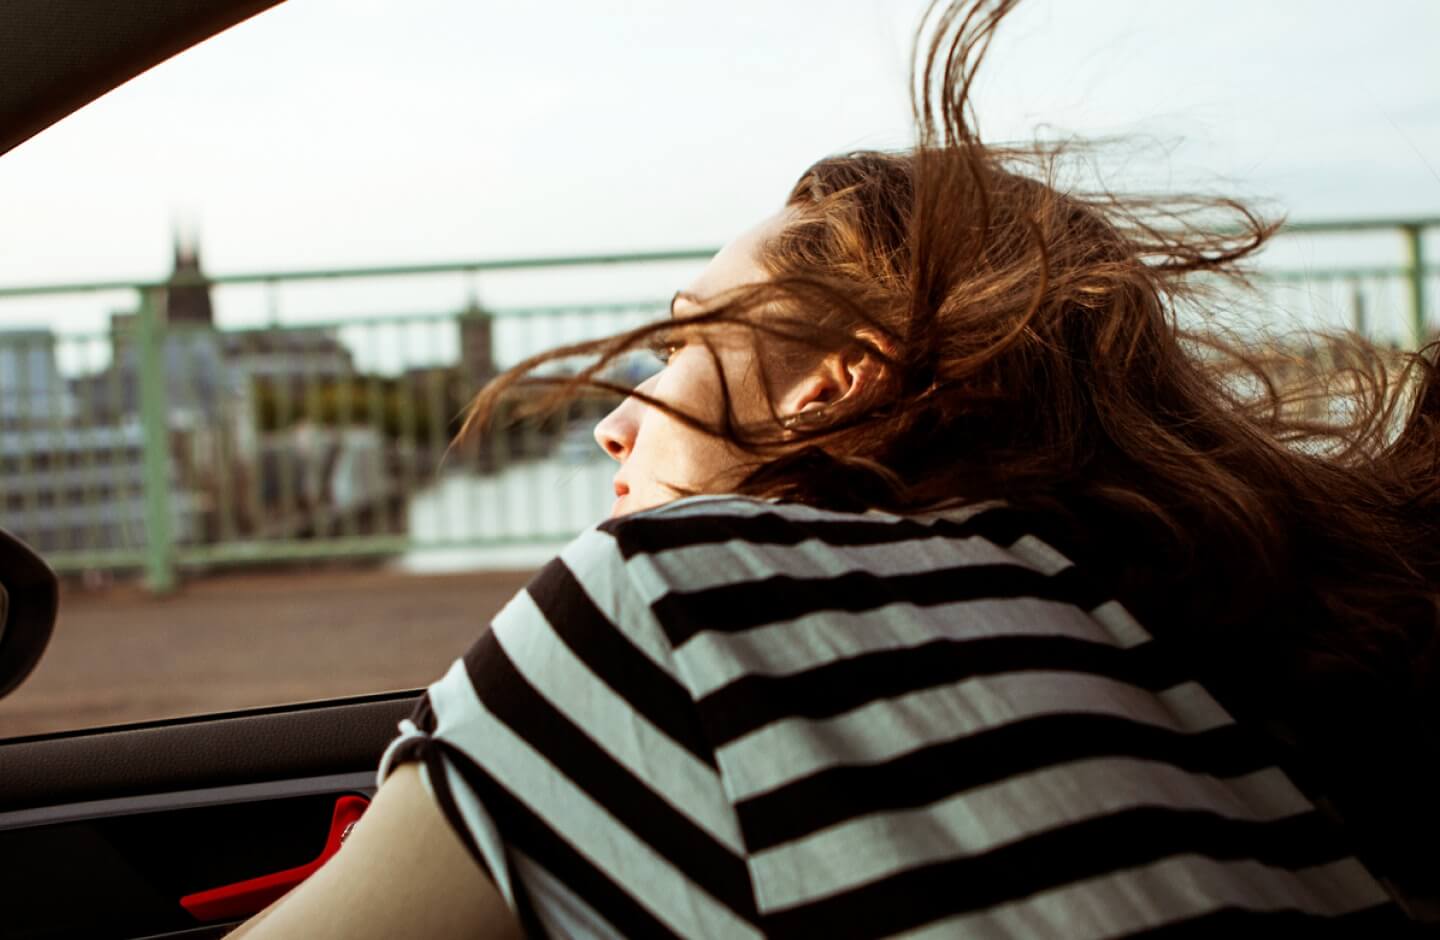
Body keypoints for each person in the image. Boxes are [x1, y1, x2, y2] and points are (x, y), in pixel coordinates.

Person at [233, 1, 1439, 936]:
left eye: (681, 339)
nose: (618, 419)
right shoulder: (1183, 669)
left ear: (833, 381)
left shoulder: (690, 601)